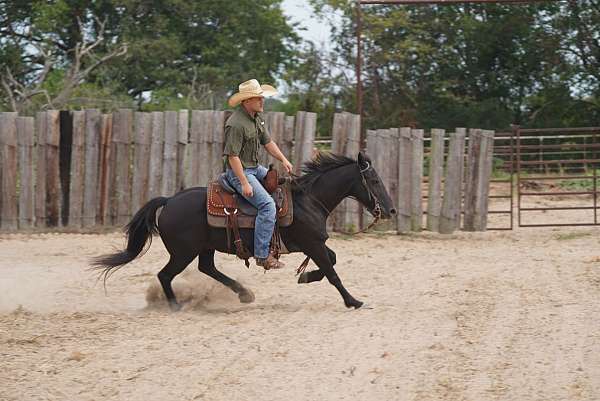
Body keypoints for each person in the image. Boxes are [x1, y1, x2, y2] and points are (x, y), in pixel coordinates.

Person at [223, 79, 293, 270]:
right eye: (257, 98)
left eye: (262, 97)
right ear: (246, 101)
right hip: (239, 172)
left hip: (254, 167)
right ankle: (262, 255)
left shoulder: (257, 118)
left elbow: (268, 142)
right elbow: (232, 157)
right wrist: (244, 182)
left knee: (284, 185)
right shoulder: (236, 124)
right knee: (267, 206)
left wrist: (284, 160)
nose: (262, 101)